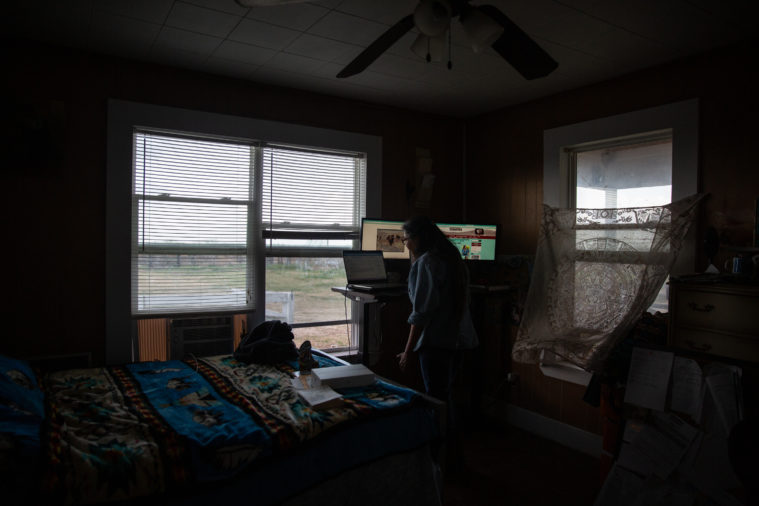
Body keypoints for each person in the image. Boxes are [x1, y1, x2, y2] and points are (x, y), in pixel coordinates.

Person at [397, 216, 478, 412]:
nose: (405, 243)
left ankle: (440, 439)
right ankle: (448, 439)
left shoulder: (426, 263)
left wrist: (408, 352)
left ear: (417, 238)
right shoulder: (453, 258)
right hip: (459, 340)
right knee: (445, 393)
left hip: (437, 343)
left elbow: (421, 314)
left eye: (405, 239)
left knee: (435, 398)